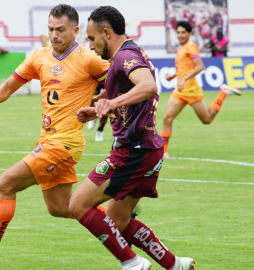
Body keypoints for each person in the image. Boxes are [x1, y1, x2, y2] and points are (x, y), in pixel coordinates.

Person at [0, 4, 110, 267]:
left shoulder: (88, 58)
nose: (54, 34)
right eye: (50, 29)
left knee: (6, 184)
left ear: (75, 30)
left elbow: (122, 82)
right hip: (47, 140)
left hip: (65, 143)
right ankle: (118, 219)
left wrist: (99, 107)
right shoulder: (40, 56)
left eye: (60, 30)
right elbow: (10, 85)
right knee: (61, 208)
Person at [71, 6, 195, 270]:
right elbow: (133, 99)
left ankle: (132, 263)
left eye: (92, 38)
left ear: (106, 33)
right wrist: (99, 109)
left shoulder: (124, 56)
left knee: (78, 204)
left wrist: (111, 101)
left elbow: (149, 86)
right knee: (118, 220)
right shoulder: (133, 51)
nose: (90, 45)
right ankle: (175, 265)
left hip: (133, 152)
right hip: (149, 150)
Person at [160, 21, 241, 159]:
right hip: (179, 91)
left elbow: (200, 66)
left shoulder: (191, 47)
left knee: (207, 119)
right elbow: (186, 67)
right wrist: (174, 75)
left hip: (191, 90)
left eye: (183, 32)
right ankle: (162, 152)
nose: (180, 35)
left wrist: (185, 79)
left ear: (189, 34)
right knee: (167, 118)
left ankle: (223, 93)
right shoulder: (181, 48)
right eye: (178, 32)